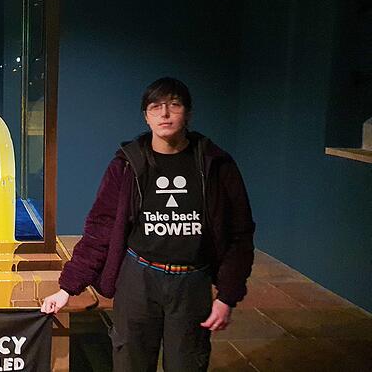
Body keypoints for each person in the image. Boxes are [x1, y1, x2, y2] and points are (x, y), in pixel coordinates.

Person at [41, 77, 255, 371]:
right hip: (138, 279)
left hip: (191, 283)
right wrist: (68, 288)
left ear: (188, 113)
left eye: (174, 105)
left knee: (187, 363)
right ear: (146, 115)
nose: (164, 114)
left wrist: (227, 296)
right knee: (130, 360)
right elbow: (101, 227)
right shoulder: (127, 164)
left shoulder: (216, 165)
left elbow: (239, 234)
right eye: (156, 107)